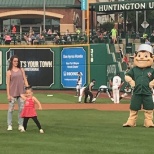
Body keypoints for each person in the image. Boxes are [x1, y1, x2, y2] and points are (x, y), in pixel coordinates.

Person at [123, 44, 154, 128]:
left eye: (145, 56)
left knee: (149, 107)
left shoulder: (151, 70)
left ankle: (148, 121)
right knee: (134, 107)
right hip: (136, 92)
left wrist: (152, 83)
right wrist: (131, 81)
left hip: (147, 92)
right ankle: (131, 121)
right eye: (139, 55)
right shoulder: (134, 70)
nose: (141, 58)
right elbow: (127, 76)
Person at [6, 55, 29, 131]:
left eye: (17, 61)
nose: (16, 62)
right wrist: (8, 95)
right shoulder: (9, 72)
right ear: (12, 62)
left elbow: (25, 80)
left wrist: (28, 90)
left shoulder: (21, 70)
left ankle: (20, 124)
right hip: (12, 92)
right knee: (11, 109)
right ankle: (9, 125)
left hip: (21, 93)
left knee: (21, 109)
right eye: (14, 61)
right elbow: (8, 84)